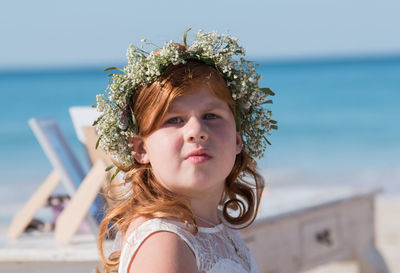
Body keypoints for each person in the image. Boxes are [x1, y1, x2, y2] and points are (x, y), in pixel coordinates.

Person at [95, 29, 277, 273]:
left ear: (237, 140)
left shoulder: (216, 228)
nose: (197, 131)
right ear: (140, 148)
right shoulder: (165, 243)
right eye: (174, 120)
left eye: (211, 115)